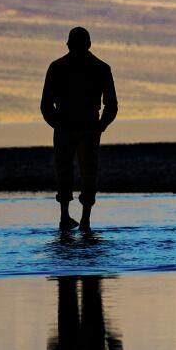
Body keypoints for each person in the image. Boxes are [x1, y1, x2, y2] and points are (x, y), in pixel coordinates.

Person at [40, 26, 118, 232]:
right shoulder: (100, 67)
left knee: (66, 172)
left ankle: (67, 218)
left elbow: (46, 106)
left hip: (71, 128)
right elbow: (112, 105)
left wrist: (58, 124)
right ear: (89, 44)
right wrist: (101, 125)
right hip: (85, 128)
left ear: (68, 44)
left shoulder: (57, 67)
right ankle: (84, 221)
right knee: (87, 173)